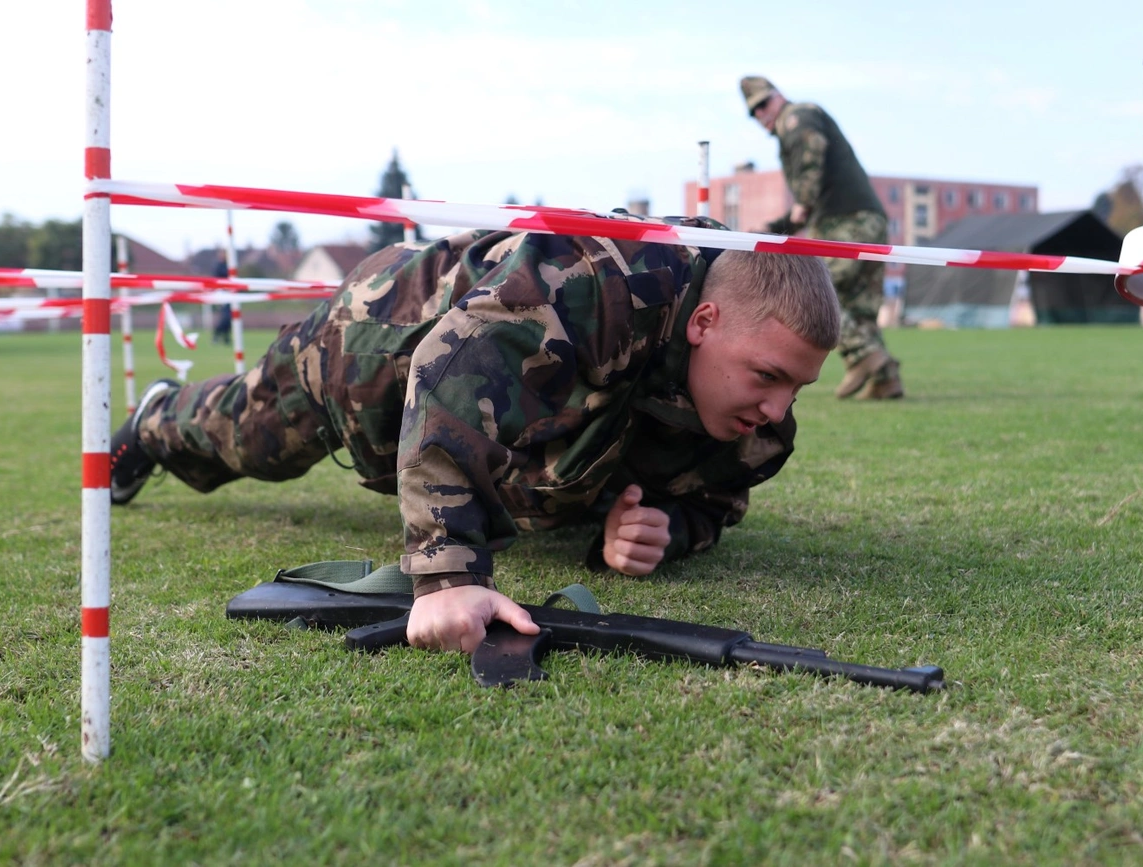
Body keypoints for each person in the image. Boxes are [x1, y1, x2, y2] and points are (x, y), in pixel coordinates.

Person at [109, 214, 839, 654]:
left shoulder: (749, 418)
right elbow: (450, 372)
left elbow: (712, 499)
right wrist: (448, 575)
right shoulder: (598, 279)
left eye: (797, 388)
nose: (778, 409)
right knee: (248, 438)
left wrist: (663, 530)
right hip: (371, 352)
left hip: (524, 422)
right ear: (705, 323)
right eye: (767, 375)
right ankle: (157, 417)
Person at [740, 75, 903, 400]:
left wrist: (803, 201)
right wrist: (780, 224)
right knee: (858, 304)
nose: (761, 114)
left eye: (764, 103)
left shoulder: (797, 117)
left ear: (779, 95)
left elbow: (812, 151)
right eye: (754, 111)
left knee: (819, 295)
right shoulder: (801, 119)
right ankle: (885, 380)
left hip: (843, 223)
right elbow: (801, 207)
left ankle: (865, 355)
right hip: (867, 218)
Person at [212, 253, 233, 345]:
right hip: (222, 293)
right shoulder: (219, 267)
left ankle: (226, 337)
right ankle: (216, 335)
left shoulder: (229, 265)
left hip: (229, 293)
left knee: (229, 318)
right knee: (225, 317)